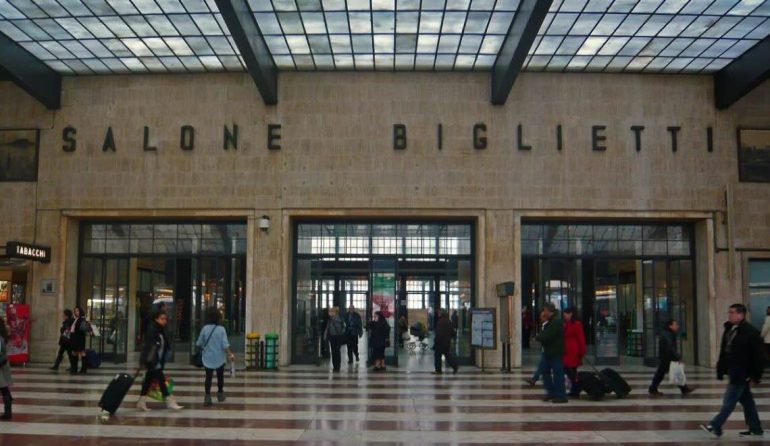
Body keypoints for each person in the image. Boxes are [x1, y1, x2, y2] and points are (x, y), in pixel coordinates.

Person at [701, 303, 765, 438]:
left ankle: (716, 425)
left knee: (729, 401)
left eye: (732, 312)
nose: (729, 315)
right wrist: (720, 368)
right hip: (733, 370)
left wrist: (754, 376)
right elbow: (725, 350)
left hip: (742, 373)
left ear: (741, 315)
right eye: (729, 312)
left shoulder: (751, 332)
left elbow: (759, 357)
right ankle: (756, 428)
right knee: (747, 402)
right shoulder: (730, 329)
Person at [136, 310, 183, 411]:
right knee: (161, 381)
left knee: (148, 381)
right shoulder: (152, 329)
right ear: (156, 319)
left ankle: (141, 401)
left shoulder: (160, 329)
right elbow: (150, 347)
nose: (164, 321)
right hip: (153, 360)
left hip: (156, 360)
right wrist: (148, 361)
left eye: (165, 318)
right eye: (162, 318)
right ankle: (170, 401)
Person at [196, 307, 235, 407]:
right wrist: (230, 354)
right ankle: (220, 394)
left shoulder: (205, 329)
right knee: (220, 376)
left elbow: (199, 343)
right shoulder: (221, 329)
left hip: (207, 357)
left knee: (208, 377)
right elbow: (225, 344)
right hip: (220, 358)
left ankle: (207, 397)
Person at [648, 319, 694, 395]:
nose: (677, 326)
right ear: (670, 326)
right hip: (667, 358)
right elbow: (670, 348)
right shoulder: (667, 335)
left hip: (666, 357)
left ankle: (684, 388)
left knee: (669, 373)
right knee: (663, 373)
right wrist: (677, 357)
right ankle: (653, 388)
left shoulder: (669, 333)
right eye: (675, 324)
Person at [536, 302, 567, 403]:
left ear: (549, 311)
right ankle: (551, 392)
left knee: (558, 374)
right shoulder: (550, 320)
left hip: (555, 352)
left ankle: (561, 395)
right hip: (549, 352)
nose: (543, 312)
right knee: (545, 372)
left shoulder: (556, 321)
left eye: (544, 310)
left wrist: (539, 337)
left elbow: (545, 335)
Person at [562, 308, 586, 397]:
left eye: (566, 315)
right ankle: (574, 389)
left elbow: (581, 338)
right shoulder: (567, 324)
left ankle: (575, 389)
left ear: (571, 314)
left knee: (570, 371)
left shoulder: (576, 324)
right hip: (567, 351)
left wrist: (582, 351)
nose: (565, 317)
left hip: (573, 351)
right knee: (570, 371)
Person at [433, 310, 458, 375]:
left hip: (440, 342)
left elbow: (438, 334)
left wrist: (435, 342)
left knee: (437, 356)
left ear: (441, 314)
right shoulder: (448, 321)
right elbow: (453, 332)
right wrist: (449, 338)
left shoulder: (440, 322)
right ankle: (455, 366)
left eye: (439, 313)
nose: (438, 314)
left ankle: (438, 371)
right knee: (447, 356)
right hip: (446, 342)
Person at [69, 306, 89, 374]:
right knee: (74, 352)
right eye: (75, 311)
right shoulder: (75, 319)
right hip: (74, 338)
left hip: (79, 338)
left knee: (82, 352)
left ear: (80, 311)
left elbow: (82, 329)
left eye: (77, 311)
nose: (76, 312)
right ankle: (74, 368)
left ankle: (83, 369)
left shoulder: (82, 319)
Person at [0, 317, 13, 420]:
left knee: (4, 389)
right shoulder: (3, 335)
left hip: (1, 366)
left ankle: (8, 412)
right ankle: (8, 411)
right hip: (3, 365)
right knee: (4, 389)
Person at [325, 307, 344, 372]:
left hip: (337, 337)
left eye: (331, 311)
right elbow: (327, 328)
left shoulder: (338, 319)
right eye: (330, 311)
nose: (330, 312)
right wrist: (325, 335)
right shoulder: (330, 319)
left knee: (337, 352)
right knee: (333, 352)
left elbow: (339, 330)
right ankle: (334, 366)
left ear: (335, 312)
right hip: (332, 337)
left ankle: (337, 366)